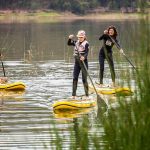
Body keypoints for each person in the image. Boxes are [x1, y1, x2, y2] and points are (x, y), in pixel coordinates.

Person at [67, 30, 89, 99]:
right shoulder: (76, 42)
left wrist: (84, 57)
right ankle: (73, 95)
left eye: (81, 37)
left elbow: (86, 52)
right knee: (74, 78)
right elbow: (69, 44)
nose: (80, 38)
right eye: (79, 37)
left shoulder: (86, 43)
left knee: (84, 79)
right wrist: (70, 38)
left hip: (83, 63)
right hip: (77, 63)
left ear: (84, 37)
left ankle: (87, 95)